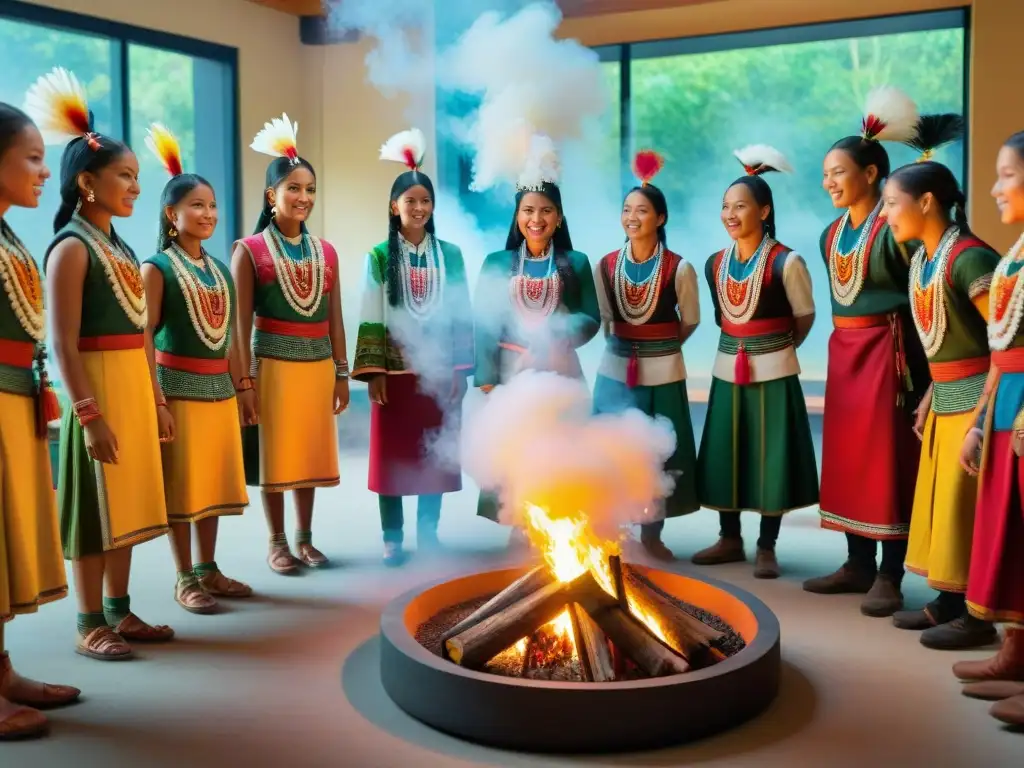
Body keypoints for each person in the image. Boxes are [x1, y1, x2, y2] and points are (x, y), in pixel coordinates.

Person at [32, 67, 174, 660]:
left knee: (133, 499)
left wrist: (157, 397)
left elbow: (141, 335)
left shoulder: (122, 247)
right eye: (125, 176)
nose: (136, 187)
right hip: (97, 393)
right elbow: (63, 342)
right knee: (94, 509)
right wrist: (87, 415)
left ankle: (120, 607)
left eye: (138, 177)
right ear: (87, 183)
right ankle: (89, 619)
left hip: (135, 390)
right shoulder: (70, 248)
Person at [805, 86, 932, 617]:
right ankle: (856, 562)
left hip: (890, 352)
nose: (829, 181)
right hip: (845, 352)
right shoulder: (829, 234)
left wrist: (927, 373)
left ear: (873, 174)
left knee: (887, 459)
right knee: (849, 458)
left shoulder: (898, 229)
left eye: (839, 171)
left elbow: (924, 298)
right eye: (826, 173)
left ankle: (890, 572)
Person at [883, 123, 1000, 650]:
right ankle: (949, 601)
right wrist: (931, 393)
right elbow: (941, 341)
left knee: (968, 507)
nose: (885, 214)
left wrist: (983, 415)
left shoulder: (970, 257)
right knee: (944, 506)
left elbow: (1006, 341)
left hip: (979, 398)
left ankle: (977, 612)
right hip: (948, 396)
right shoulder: (924, 259)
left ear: (927, 202)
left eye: (891, 203)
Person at [692, 145, 818, 579]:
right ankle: (730, 537)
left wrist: (776, 350)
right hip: (728, 370)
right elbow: (720, 317)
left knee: (771, 456)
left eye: (740, 206)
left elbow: (805, 316)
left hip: (775, 372)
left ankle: (767, 544)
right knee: (728, 451)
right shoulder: (714, 265)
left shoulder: (788, 261)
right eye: (725, 207)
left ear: (764, 210)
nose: (730, 214)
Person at [141, 123, 253, 613]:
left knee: (211, 482)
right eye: (196, 206)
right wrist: (157, 401)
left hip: (218, 392)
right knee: (182, 485)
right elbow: (143, 337)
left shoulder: (220, 270)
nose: (208, 214)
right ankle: (184, 576)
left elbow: (227, 334)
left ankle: (209, 567)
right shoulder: (156, 268)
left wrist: (243, 386)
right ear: (172, 213)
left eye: (211, 206)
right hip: (178, 391)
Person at [232, 113, 349, 574]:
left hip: (318, 367)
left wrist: (341, 372)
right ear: (271, 195)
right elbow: (238, 327)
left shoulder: (327, 251)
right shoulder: (250, 250)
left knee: (308, 453)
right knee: (276, 456)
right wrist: (243, 381)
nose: (303, 198)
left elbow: (335, 318)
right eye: (293, 189)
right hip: (271, 367)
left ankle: (305, 538)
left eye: (309, 190)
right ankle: (277, 541)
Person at [352, 128, 473, 566]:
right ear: (394, 207)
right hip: (396, 374)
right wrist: (375, 371)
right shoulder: (380, 255)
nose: (418, 208)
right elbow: (371, 310)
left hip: (439, 372)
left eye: (425, 201)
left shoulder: (452, 255)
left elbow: (462, 313)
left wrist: (460, 369)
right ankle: (392, 538)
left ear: (432, 207)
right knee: (392, 456)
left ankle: (428, 534)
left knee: (433, 453)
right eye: (410, 201)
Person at [0, 97, 81, 738]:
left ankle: (0, 669)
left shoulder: (9, 234)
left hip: (14, 400)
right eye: (32, 158)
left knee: (8, 538)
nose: (43, 172)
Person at [473, 135, 600, 538]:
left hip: (560, 369)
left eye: (546, 211)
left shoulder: (576, 263)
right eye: (528, 210)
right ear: (517, 216)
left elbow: (591, 317)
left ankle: (560, 518)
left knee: (560, 446)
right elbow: (484, 324)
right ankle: (519, 520)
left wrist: (559, 334)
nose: (537, 218)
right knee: (518, 446)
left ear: (559, 218)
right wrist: (486, 376)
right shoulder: (496, 263)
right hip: (510, 371)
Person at [592, 150, 700, 561]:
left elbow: (689, 320)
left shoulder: (679, 268)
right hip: (615, 367)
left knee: (660, 451)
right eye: (626, 210)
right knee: (612, 447)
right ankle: (610, 526)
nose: (632, 217)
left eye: (641, 210)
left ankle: (652, 532)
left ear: (661, 218)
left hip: (664, 368)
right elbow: (603, 317)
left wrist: (659, 346)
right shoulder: (605, 265)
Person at [954, 130, 1024, 727]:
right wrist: (981, 422)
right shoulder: (1016, 254)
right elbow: (1001, 349)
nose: (996, 187)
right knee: (1012, 534)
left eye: (1006, 174)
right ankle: (1016, 651)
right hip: (1006, 405)